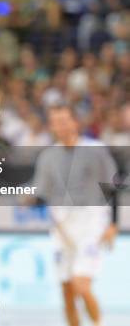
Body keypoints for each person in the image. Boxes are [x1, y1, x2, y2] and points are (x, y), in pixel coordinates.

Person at [32, 104, 118, 326]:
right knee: (67, 291)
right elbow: (40, 192)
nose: (60, 126)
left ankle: (98, 323)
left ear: (75, 122)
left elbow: (112, 186)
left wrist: (113, 224)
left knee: (81, 284)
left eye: (64, 120)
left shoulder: (96, 149)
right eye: (56, 122)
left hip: (91, 221)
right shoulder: (47, 156)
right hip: (61, 225)